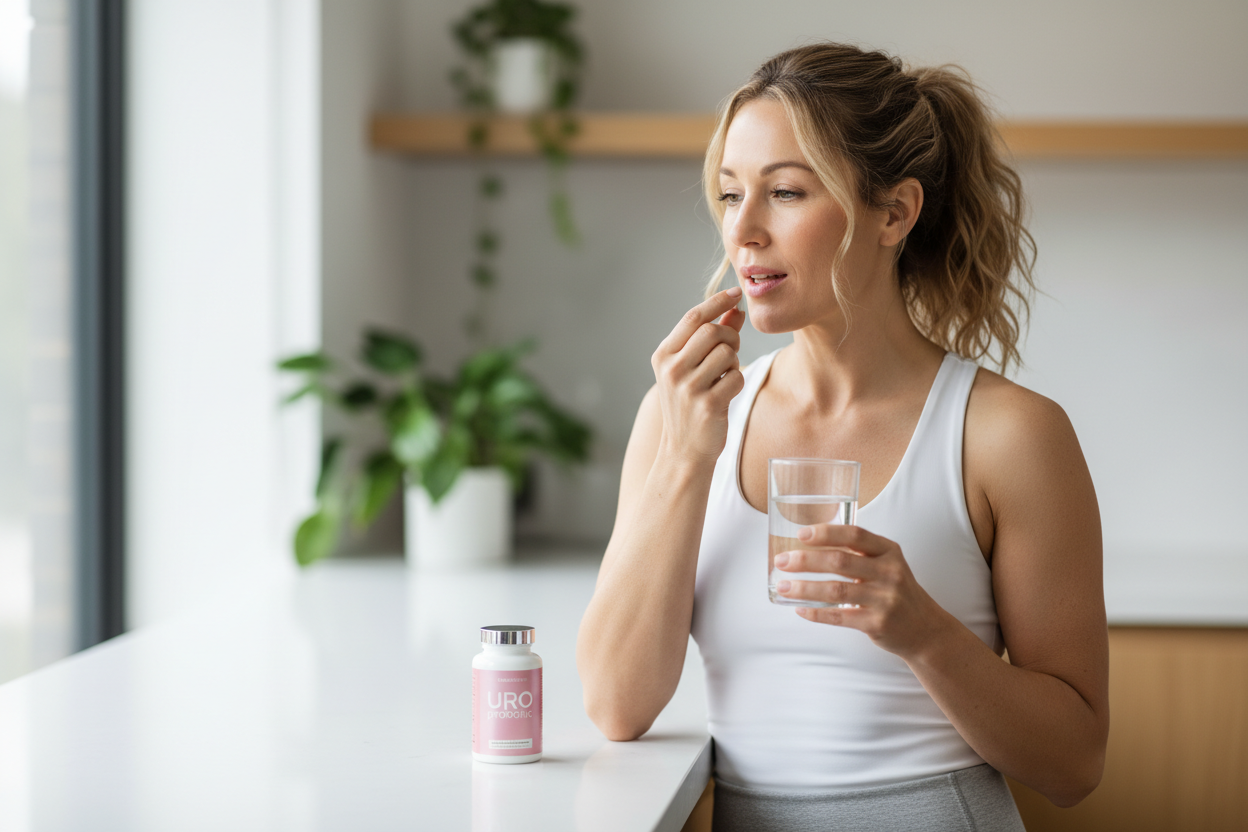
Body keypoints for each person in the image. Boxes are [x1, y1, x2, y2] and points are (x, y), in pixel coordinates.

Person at [576, 43, 1108, 832]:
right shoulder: (682, 416)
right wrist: (686, 457)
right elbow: (616, 705)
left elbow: (1073, 765)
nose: (743, 231)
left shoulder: (1008, 435)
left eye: (785, 192)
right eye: (730, 194)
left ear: (894, 213)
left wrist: (924, 632)